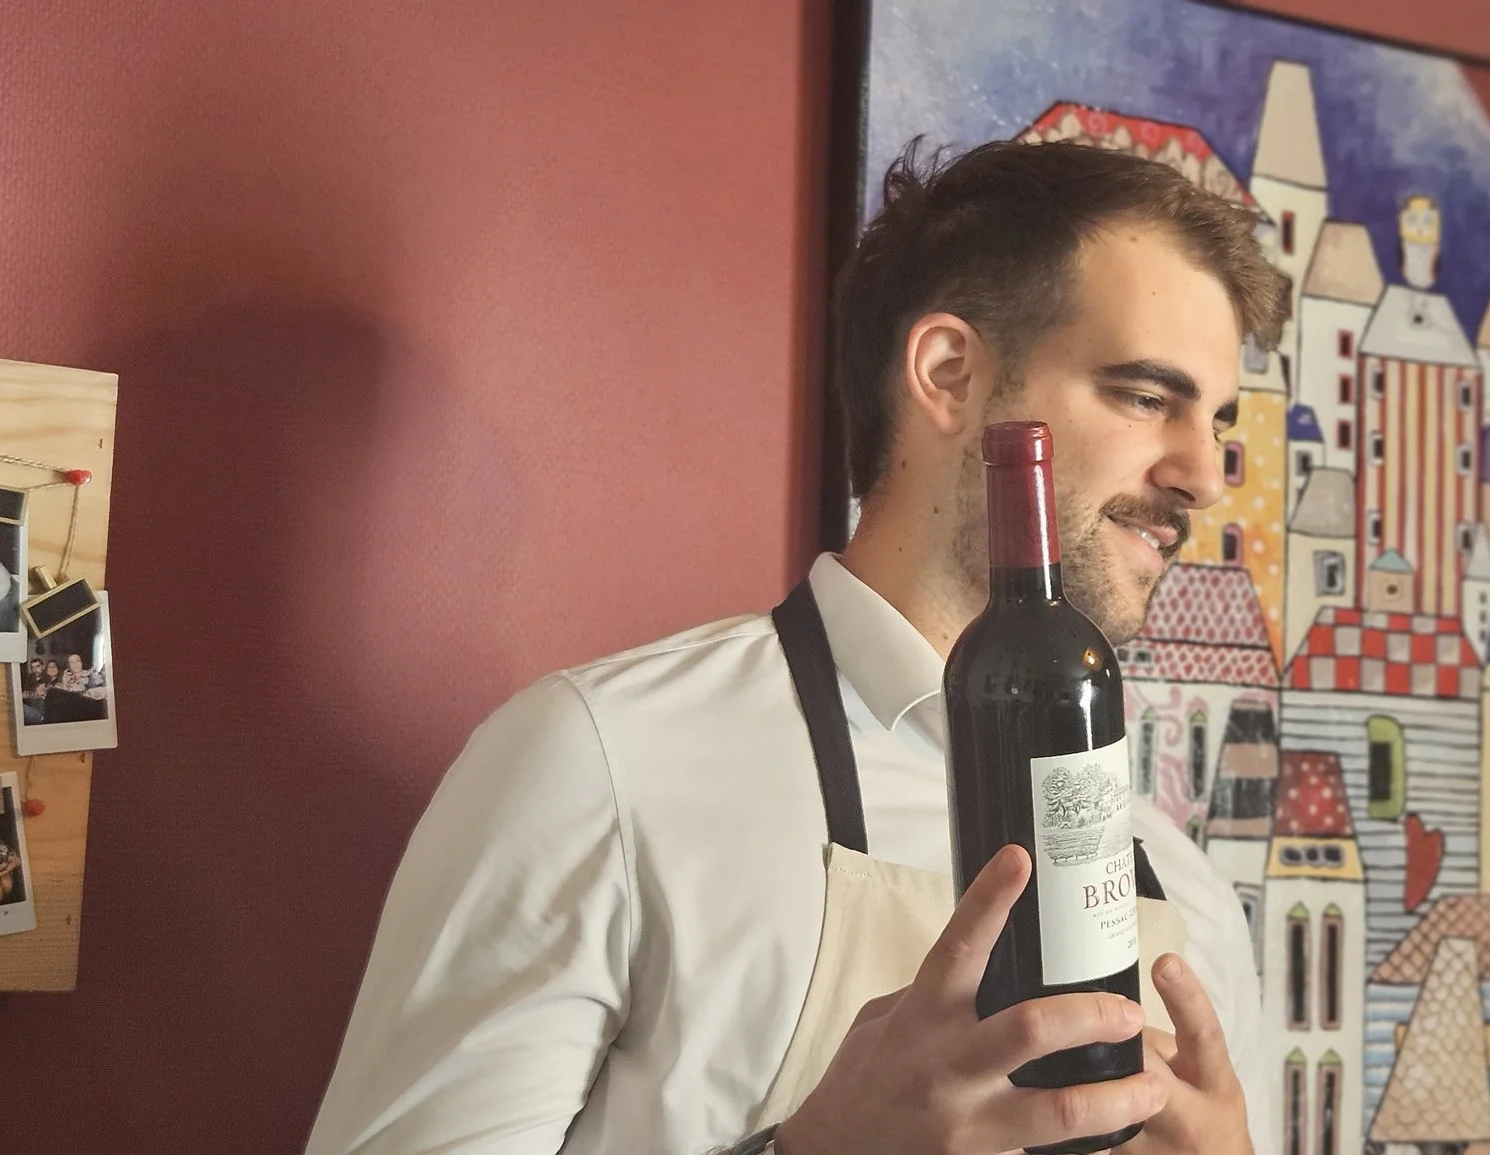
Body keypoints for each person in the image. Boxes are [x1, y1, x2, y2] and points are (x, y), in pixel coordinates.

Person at [308, 139, 1290, 1155]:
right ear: (950, 375)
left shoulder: (1189, 896)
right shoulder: (603, 770)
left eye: (1216, 419)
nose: (1204, 474)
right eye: (1143, 396)